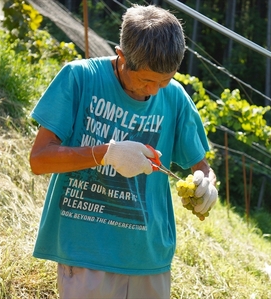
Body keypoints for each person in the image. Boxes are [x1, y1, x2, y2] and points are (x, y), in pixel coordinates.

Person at [29, 4, 218, 298]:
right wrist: (104, 153)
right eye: (145, 80)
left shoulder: (175, 98)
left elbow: (201, 166)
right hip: (86, 254)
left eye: (165, 80)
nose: (154, 90)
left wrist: (207, 183)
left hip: (149, 259)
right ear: (121, 57)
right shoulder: (79, 79)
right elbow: (40, 159)